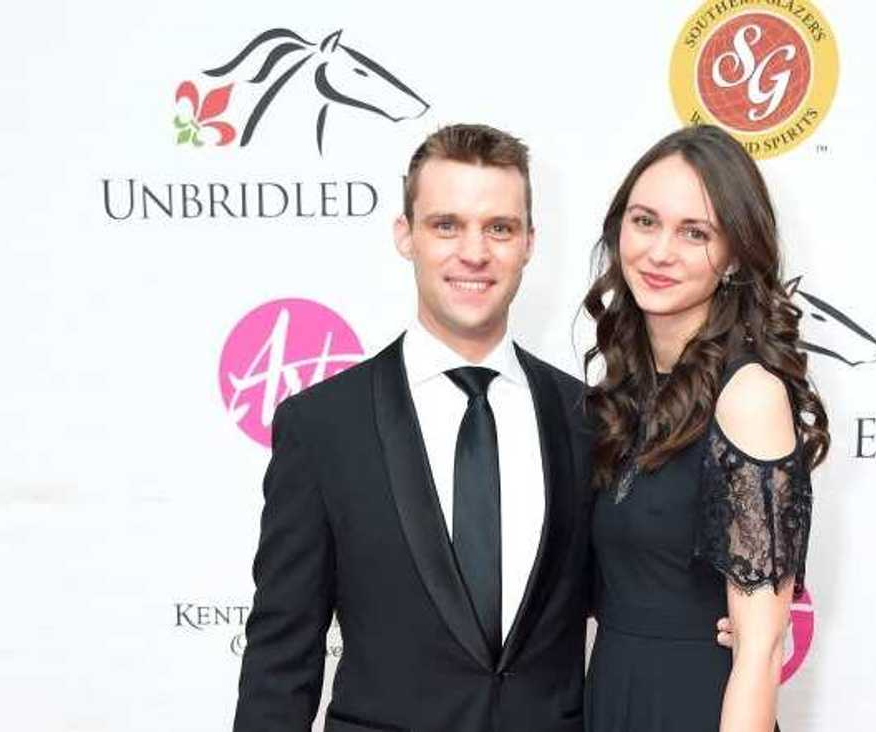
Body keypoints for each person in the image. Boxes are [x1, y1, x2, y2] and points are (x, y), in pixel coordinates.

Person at [232, 124, 595, 732]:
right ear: (406, 234)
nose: (474, 253)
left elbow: (637, 592)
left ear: (529, 243)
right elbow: (281, 657)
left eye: (499, 228)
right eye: (446, 225)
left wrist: (731, 625)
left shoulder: (586, 418)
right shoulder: (322, 427)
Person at [581, 124, 831, 732]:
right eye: (645, 221)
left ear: (735, 254)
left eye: (695, 233)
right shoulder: (626, 393)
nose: (660, 252)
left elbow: (759, 651)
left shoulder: (748, 395)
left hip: (694, 706)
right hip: (612, 696)